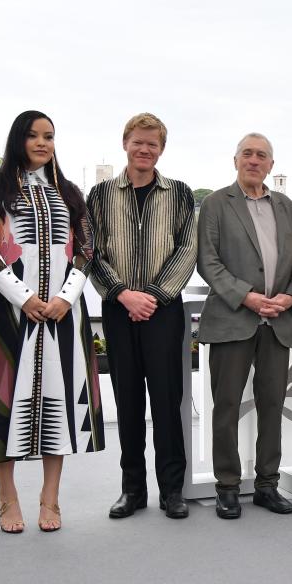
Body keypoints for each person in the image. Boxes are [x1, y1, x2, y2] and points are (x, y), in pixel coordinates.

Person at [0, 110, 105, 533]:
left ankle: (51, 498)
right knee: (4, 403)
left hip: (64, 316)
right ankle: (7, 497)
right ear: (18, 139)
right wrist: (23, 296)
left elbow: (86, 249)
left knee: (60, 401)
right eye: (33, 136)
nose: (42, 143)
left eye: (49, 136)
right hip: (11, 315)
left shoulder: (68, 192)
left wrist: (66, 298)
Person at [87, 112, 197, 519]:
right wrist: (122, 294)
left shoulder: (181, 194)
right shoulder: (98, 196)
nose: (145, 149)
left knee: (167, 402)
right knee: (128, 402)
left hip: (164, 311)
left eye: (153, 144)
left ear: (161, 149)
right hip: (117, 310)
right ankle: (132, 490)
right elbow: (91, 252)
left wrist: (151, 296)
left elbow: (188, 250)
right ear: (125, 144)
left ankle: (172, 491)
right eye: (139, 142)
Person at [197, 132, 292, 519]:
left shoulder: (287, 207)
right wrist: (246, 296)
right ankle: (227, 486)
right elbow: (208, 262)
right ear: (236, 160)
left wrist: (291, 296)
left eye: (262, 156)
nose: (254, 160)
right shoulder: (214, 204)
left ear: (271, 165)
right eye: (248, 154)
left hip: (276, 323)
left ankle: (266, 485)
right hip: (232, 319)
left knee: (272, 405)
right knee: (225, 406)